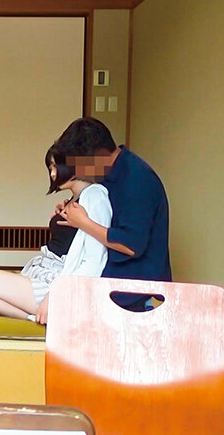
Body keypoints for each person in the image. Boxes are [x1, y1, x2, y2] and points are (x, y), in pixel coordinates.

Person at [0, 146, 112, 324]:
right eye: (50, 168)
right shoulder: (74, 199)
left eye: (56, 166)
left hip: (57, 283)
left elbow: (95, 260)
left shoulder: (95, 196)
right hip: (42, 273)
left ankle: (46, 315)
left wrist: (56, 293)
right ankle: (35, 316)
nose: (52, 174)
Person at [53, 117, 171, 311]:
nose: (77, 172)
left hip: (132, 286)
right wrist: (72, 208)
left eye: (78, 165)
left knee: (52, 305)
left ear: (95, 155)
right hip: (110, 274)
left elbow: (131, 245)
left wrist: (83, 222)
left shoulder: (137, 179)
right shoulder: (109, 173)